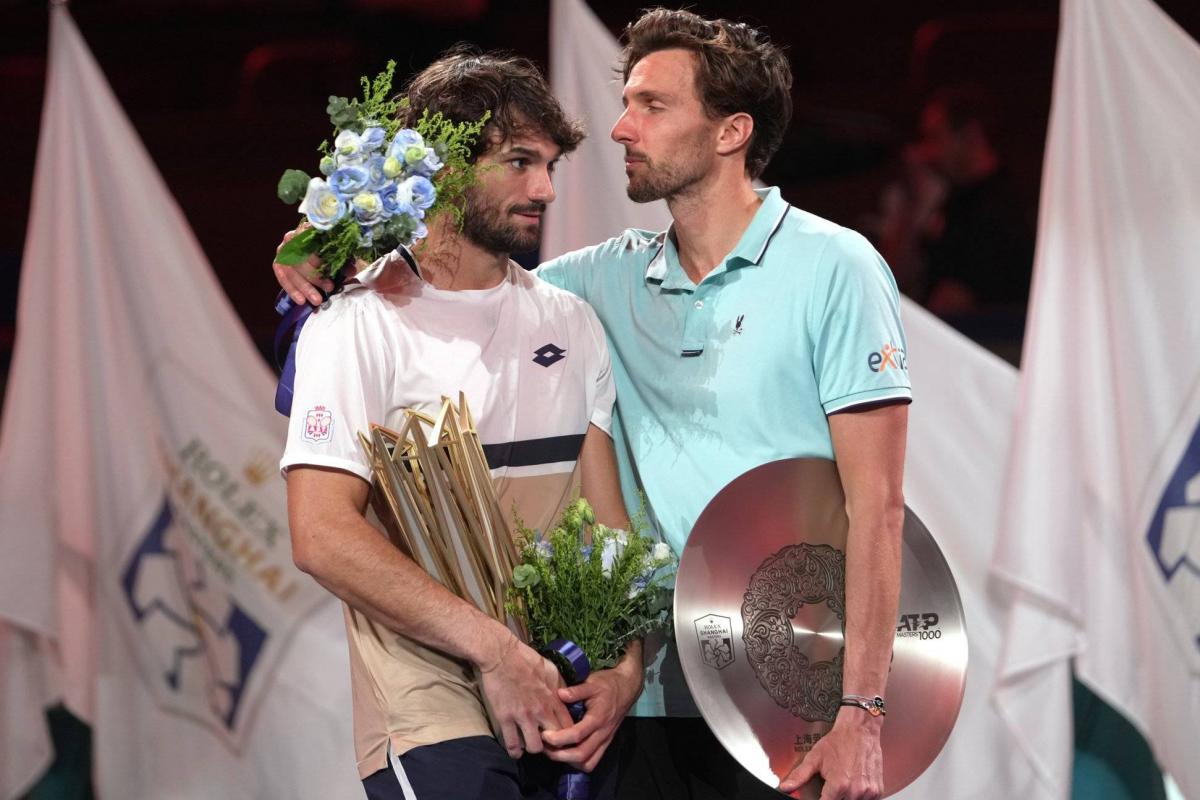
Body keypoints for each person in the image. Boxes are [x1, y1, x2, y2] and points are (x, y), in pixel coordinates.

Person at [277, 11, 910, 800]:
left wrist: (864, 709)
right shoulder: (588, 291)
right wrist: (324, 235)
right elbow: (459, 268)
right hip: (642, 705)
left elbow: (878, 509)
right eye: (627, 103)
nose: (621, 129)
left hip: (787, 695)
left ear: (730, 132)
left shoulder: (836, 267)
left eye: (652, 106)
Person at [279, 48, 642, 800]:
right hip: (428, 705)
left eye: (549, 165)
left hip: (563, 688)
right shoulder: (354, 327)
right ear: (440, 165)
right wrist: (493, 652)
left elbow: (606, 529)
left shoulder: (571, 322)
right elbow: (320, 536)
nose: (543, 189)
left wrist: (623, 671)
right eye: (518, 162)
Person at [878, 84, 1035, 317]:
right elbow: (892, 278)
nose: (925, 151)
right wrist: (914, 204)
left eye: (935, 137)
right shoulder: (950, 202)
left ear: (970, 135)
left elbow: (951, 304)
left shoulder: (997, 209)